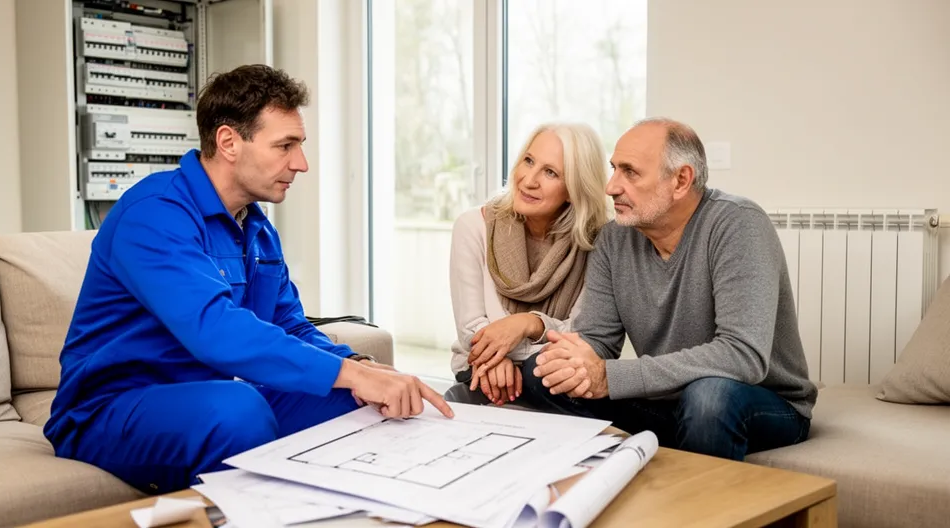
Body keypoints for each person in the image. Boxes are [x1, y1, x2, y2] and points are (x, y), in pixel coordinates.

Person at [44, 64, 454, 494]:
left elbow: (291, 326)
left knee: (356, 403)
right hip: (108, 410)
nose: (302, 163)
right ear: (228, 142)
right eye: (285, 146)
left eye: (300, 145)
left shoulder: (256, 228)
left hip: (203, 394)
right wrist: (350, 372)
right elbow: (215, 329)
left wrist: (361, 368)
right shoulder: (153, 214)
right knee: (239, 410)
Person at [522, 117, 817, 461]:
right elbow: (597, 341)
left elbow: (743, 355)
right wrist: (569, 360)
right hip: (667, 403)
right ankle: (624, 467)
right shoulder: (613, 239)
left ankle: (695, 507)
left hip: (759, 401)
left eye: (630, 172)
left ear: (681, 180)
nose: (611, 187)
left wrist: (609, 378)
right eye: (614, 169)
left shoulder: (738, 223)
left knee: (707, 398)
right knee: (541, 372)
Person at [449, 123, 609, 405]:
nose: (528, 180)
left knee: (545, 378)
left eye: (550, 172)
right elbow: (470, 327)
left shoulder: (596, 244)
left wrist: (529, 324)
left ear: (573, 188)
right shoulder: (473, 226)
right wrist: (495, 357)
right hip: (481, 367)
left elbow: (582, 336)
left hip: (553, 374)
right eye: (528, 161)